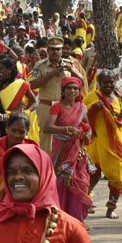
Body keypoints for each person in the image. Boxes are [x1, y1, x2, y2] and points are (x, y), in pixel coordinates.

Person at [86, 69, 122, 219]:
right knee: (93, 174)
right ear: (99, 83)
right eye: (105, 82)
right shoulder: (91, 97)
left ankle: (110, 208)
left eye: (111, 82)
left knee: (119, 177)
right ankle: (84, 203)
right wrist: (94, 108)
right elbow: (81, 117)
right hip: (95, 144)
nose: (108, 85)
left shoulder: (119, 98)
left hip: (115, 145)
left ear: (115, 82)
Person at [43, 77, 93, 222]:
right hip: (62, 151)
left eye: (75, 88)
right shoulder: (57, 107)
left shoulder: (82, 108)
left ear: (79, 91)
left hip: (78, 152)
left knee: (80, 182)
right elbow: (47, 128)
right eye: (69, 88)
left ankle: (77, 220)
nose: (72, 91)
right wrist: (66, 129)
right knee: (62, 182)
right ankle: (60, 218)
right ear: (63, 91)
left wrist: (87, 136)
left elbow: (88, 127)